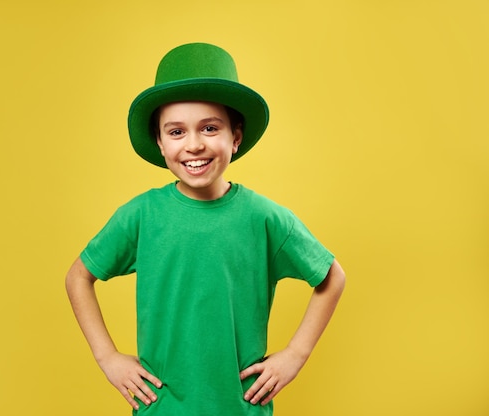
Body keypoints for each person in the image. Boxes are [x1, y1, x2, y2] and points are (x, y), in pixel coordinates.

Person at [66, 42, 346, 415]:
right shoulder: (141, 215)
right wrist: (107, 357)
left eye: (210, 128)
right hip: (161, 407)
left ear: (235, 137)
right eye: (177, 132)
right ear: (160, 143)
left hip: (240, 407)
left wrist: (296, 354)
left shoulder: (263, 218)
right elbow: (78, 277)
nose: (194, 145)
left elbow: (331, 277)